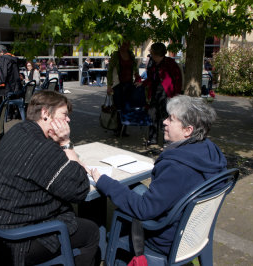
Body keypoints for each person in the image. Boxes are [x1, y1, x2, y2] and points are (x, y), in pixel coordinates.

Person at [91, 95, 227, 257]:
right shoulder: (210, 151)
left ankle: (107, 247)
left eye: (171, 119)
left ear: (187, 130)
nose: (164, 122)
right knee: (134, 187)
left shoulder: (177, 167)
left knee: (122, 199)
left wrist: (104, 182)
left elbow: (144, 209)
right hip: (193, 232)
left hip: (166, 239)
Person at [0, 91, 100, 266]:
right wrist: (65, 142)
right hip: (17, 242)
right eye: (64, 115)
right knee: (91, 231)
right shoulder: (41, 150)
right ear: (45, 114)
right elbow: (80, 188)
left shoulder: (19, 130)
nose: (68, 120)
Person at [135, 42, 183, 146]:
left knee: (165, 118)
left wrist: (176, 96)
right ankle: (153, 140)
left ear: (157, 53)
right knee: (152, 116)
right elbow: (151, 79)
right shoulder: (153, 63)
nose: (151, 54)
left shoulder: (170, 63)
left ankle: (167, 141)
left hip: (166, 94)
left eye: (152, 52)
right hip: (155, 93)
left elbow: (178, 80)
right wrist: (142, 83)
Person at [107, 40, 141, 136]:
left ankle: (124, 129)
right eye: (122, 44)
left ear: (129, 45)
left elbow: (135, 68)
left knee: (127, 107)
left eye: (126, 44)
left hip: (129, 84)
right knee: (118, 107)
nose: (123, 46)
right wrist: (109, 85)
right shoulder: (116, 55)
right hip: (118, 85)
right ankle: (117, 128)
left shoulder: (130, 54)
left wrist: (138, 78)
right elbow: (110, 70)